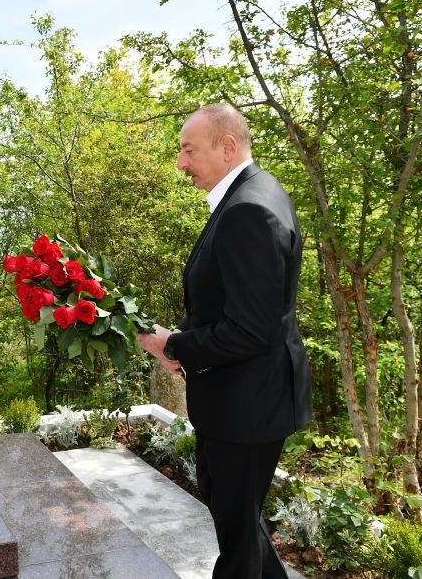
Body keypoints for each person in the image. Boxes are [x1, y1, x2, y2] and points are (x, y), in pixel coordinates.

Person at [138, 104, 312, 579]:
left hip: (248, 404)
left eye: (188, 149)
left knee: (236, 545)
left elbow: (252, 329)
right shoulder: (254, 194)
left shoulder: (249, 211)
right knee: (233, 515)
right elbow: (228, 305)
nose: (181, 162)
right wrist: (182, 341)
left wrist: (174, 346)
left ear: (227, 147)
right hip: (243, 396)